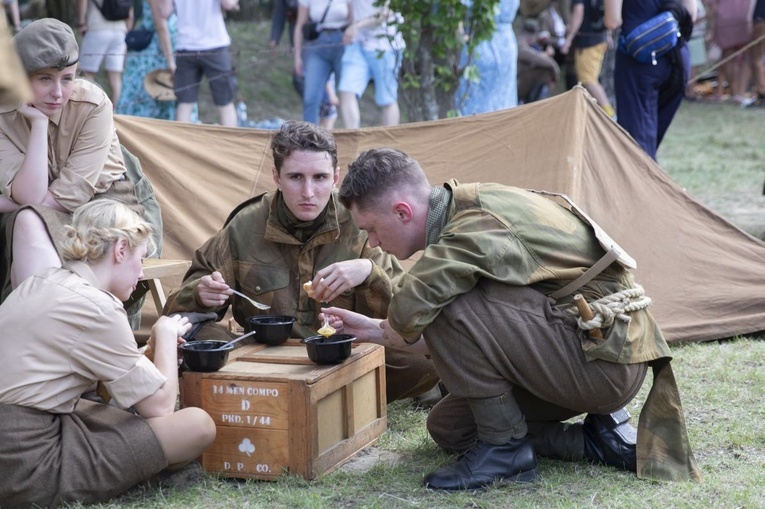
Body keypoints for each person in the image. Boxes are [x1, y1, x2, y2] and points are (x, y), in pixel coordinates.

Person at [329, 148, 701, 490]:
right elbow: (473, 334)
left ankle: (505, 450)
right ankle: (596, 440)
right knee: (451, 427)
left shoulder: (473, 225)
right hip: (595, 353)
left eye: (371, 230)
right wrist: (371, 331)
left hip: (604, 366)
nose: (374, 243)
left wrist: (386, 321)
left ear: (402, 212)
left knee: (446, 302)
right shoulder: (473, 205)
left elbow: (411, 317)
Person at [164, 121, 439, 404]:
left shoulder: (360, 222)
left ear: (335, 177)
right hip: (264, 355)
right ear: (277, 177)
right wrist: (202, 293)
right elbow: (179, 308)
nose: (308, 192)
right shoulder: (245, 225)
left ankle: (294, 395)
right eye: (296, 177)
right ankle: (322, 395)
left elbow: (407, 314)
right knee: (195, 342)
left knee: (424, 364)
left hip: (341, 354)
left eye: (319, 178)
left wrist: (369, 273)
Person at [0, 199, 216, 507]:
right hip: (23, 463)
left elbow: (83, 377)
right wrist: (165, 334)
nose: (141, 273)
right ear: (121, 249)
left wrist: (148, 355)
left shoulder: (42, 280)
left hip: (23, 433)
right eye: (141, 259)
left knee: (114, 414)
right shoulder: (97, 306)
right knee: (197, 425)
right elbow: (161, 406)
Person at [0, 18, 148, 303]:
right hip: (43, 209)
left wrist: (8, 203)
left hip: (107, 203)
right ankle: (46, 324)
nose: (58, 93)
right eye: (45, 79)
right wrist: (39, 126)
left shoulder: (93, 104)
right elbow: (32, 196)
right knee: (28, 220)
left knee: (28, 218)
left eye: (67, 78)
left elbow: (68, 195)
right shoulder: (5, 115)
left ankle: (52, 322)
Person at [604, 0, 697, 160]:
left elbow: (612, 20)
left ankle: (647, 184)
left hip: (639, 59)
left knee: (637, 149)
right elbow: (691, 13)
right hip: (677, 57)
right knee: (647, 146)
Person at [116, 0, 197, 121]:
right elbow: (161, 27)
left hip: (172, 50)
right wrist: (171, 62)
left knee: (170, 93)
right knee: (149, 93)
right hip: (156, 53)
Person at [170, 0, 239, 126]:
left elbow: (165, 11)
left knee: (185, 104)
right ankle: (231, 145)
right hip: (214, 44)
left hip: (185, 46)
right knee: (225, 103)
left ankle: (181, 145)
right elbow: (228, 4)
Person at [338, 0, 404, 128]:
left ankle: (388, 145)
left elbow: (386, 12)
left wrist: (357, 26)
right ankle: (353, 141)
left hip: (385, 46)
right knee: (347, 90)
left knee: (387, 99)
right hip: (357, 44)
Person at [454, 0, 521, 115]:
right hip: (505, 44)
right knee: (502, 109)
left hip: (478, 43)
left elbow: (456, 8)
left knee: (474, 113)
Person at [294, 0, 352, 124]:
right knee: (311, 97)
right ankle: (309, 139)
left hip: (343, 41)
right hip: (318, 43)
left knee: (348, 95)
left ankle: (352, 135)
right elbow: (300, 24)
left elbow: (353, 21)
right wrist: (298, 56)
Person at [562, 0, 616, 118]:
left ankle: (610, 115)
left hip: (588, 42)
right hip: (599, 39)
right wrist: (608, 34)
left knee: (588, 80)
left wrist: (569, 38)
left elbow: (578, 12)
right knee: (589, 79)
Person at [76, 0, 131, 105]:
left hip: (97, 28)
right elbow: (130, 10)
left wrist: (81, 23)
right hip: (120, 31)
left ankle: (87, 109)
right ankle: (115, 113)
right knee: (116, 77)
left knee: (87, 74)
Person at [517, 18, 560, 104]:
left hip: (515, 83)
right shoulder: (519, 45)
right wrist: (555, 72)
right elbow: (537, 58)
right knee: (545, 71)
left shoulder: (520, 42)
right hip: (513, 86)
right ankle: (535, 106)